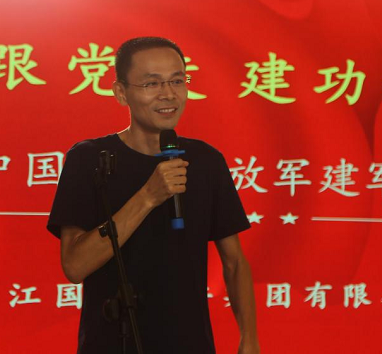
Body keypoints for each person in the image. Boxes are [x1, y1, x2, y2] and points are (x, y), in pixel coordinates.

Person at [47, 36, 259, 354]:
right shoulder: (90, 159)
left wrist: (250, 339)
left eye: (177, 81)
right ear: (121, 92)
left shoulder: (206, 161)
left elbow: (235, 262)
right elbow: (75, 266)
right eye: (152, 84)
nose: (168, 94)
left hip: (189, 344)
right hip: (111, 343)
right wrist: (148, 196)